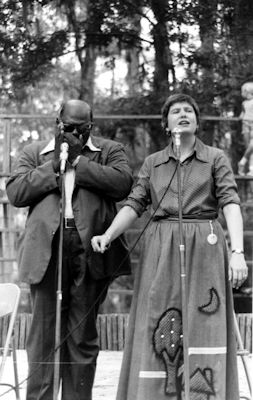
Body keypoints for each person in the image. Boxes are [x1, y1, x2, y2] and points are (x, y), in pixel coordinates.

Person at [91, 93, 248, 400]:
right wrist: (108, 235)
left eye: (189, 110)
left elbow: (230, 204)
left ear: (197, 121)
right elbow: (135, 203)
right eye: (175, 111)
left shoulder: (215, 158)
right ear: (166, 124)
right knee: (159, 315)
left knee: (206, 315)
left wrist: (238, 253)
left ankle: (206, 392)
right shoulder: (153, 163)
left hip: (205, 245)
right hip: (161, 246)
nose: (183, 114)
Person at [6, 99, 133, 400]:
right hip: (47, 250)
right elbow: (16, 192)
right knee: (43, 335)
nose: (74, 133)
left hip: (91, 249)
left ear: (92, 125)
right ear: (57, 122)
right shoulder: (36, 152)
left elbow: (123, 184)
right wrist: (55, 167)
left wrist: (80, 162)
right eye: (68, 127)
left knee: (82, 335)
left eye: (82, 128)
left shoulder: (109, 151)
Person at [238, 82, 253, 175]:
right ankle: (251, 170)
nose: (242, 93)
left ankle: (242, 162)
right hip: (245, 125)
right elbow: (242, 114)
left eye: (243, 91)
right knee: (249, 148)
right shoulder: (244, 103)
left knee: (252, 145)